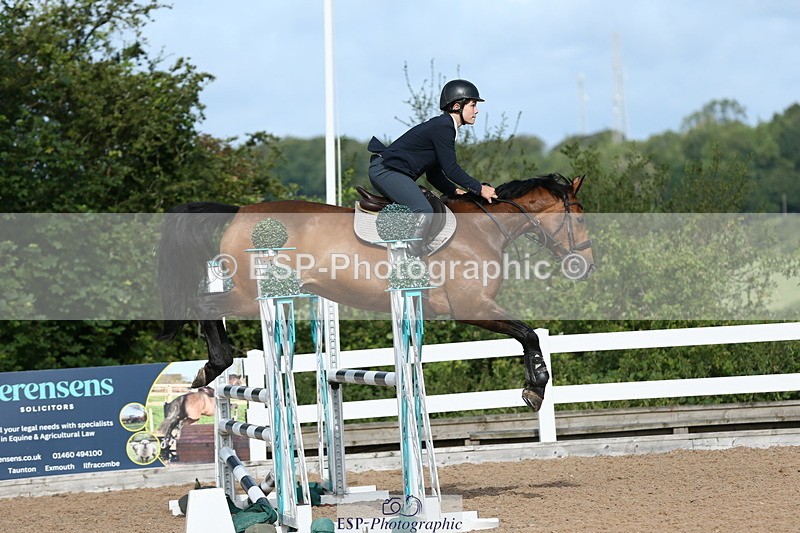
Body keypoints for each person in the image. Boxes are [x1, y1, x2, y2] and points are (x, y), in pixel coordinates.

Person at [367, 79, 498, 256]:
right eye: (473, 105)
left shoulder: (444, 126)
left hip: (389, 171)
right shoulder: (444, 127)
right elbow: (451, 168)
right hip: (385, 171)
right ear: (458, 106)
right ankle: (410, 261)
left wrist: (453, 190)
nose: (476, 111)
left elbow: (434, 175)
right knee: (424, 210)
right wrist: (479, 188)